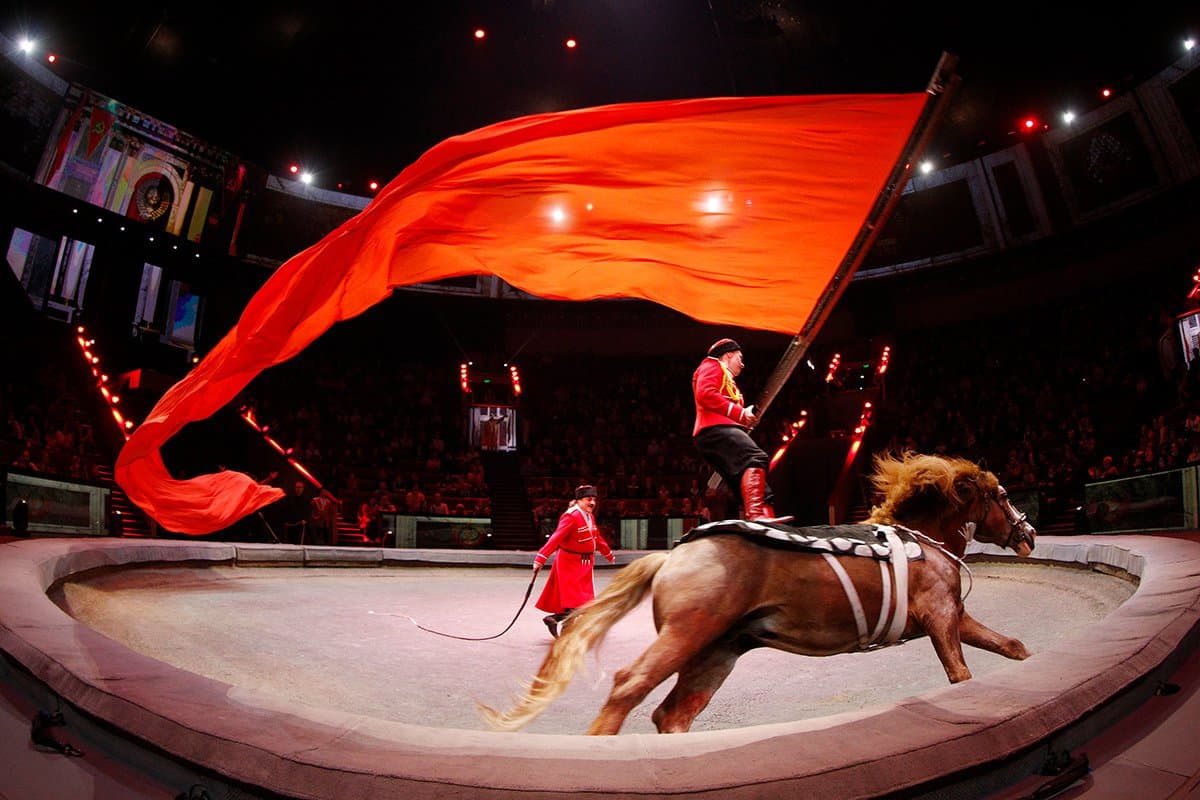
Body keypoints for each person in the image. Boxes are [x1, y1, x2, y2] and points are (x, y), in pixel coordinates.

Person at [692, 338, 791, 523]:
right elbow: (705, 393)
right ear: (728, 354)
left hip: (716, 430)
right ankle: (756, 516)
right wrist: (739, 413)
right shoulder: (712, 365)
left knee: (745, 480)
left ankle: (765, 517)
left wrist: (744, 417)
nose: (743, 364)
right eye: (740, 357)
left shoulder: (726, 378)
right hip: (713, 428)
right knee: (756, 458)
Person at [532, 485, 615, 638]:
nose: (592, 502)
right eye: (588, 499)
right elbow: (556, 538)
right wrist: (540, 558)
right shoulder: (571, 516)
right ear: (579, 500)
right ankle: (557, 620)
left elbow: (595, 536)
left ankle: (559, 623)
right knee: (579, 602)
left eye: (594, 499)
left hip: (584, 563)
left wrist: (607, 553)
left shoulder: (589, 515)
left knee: (579, 601)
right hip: (570, 563)